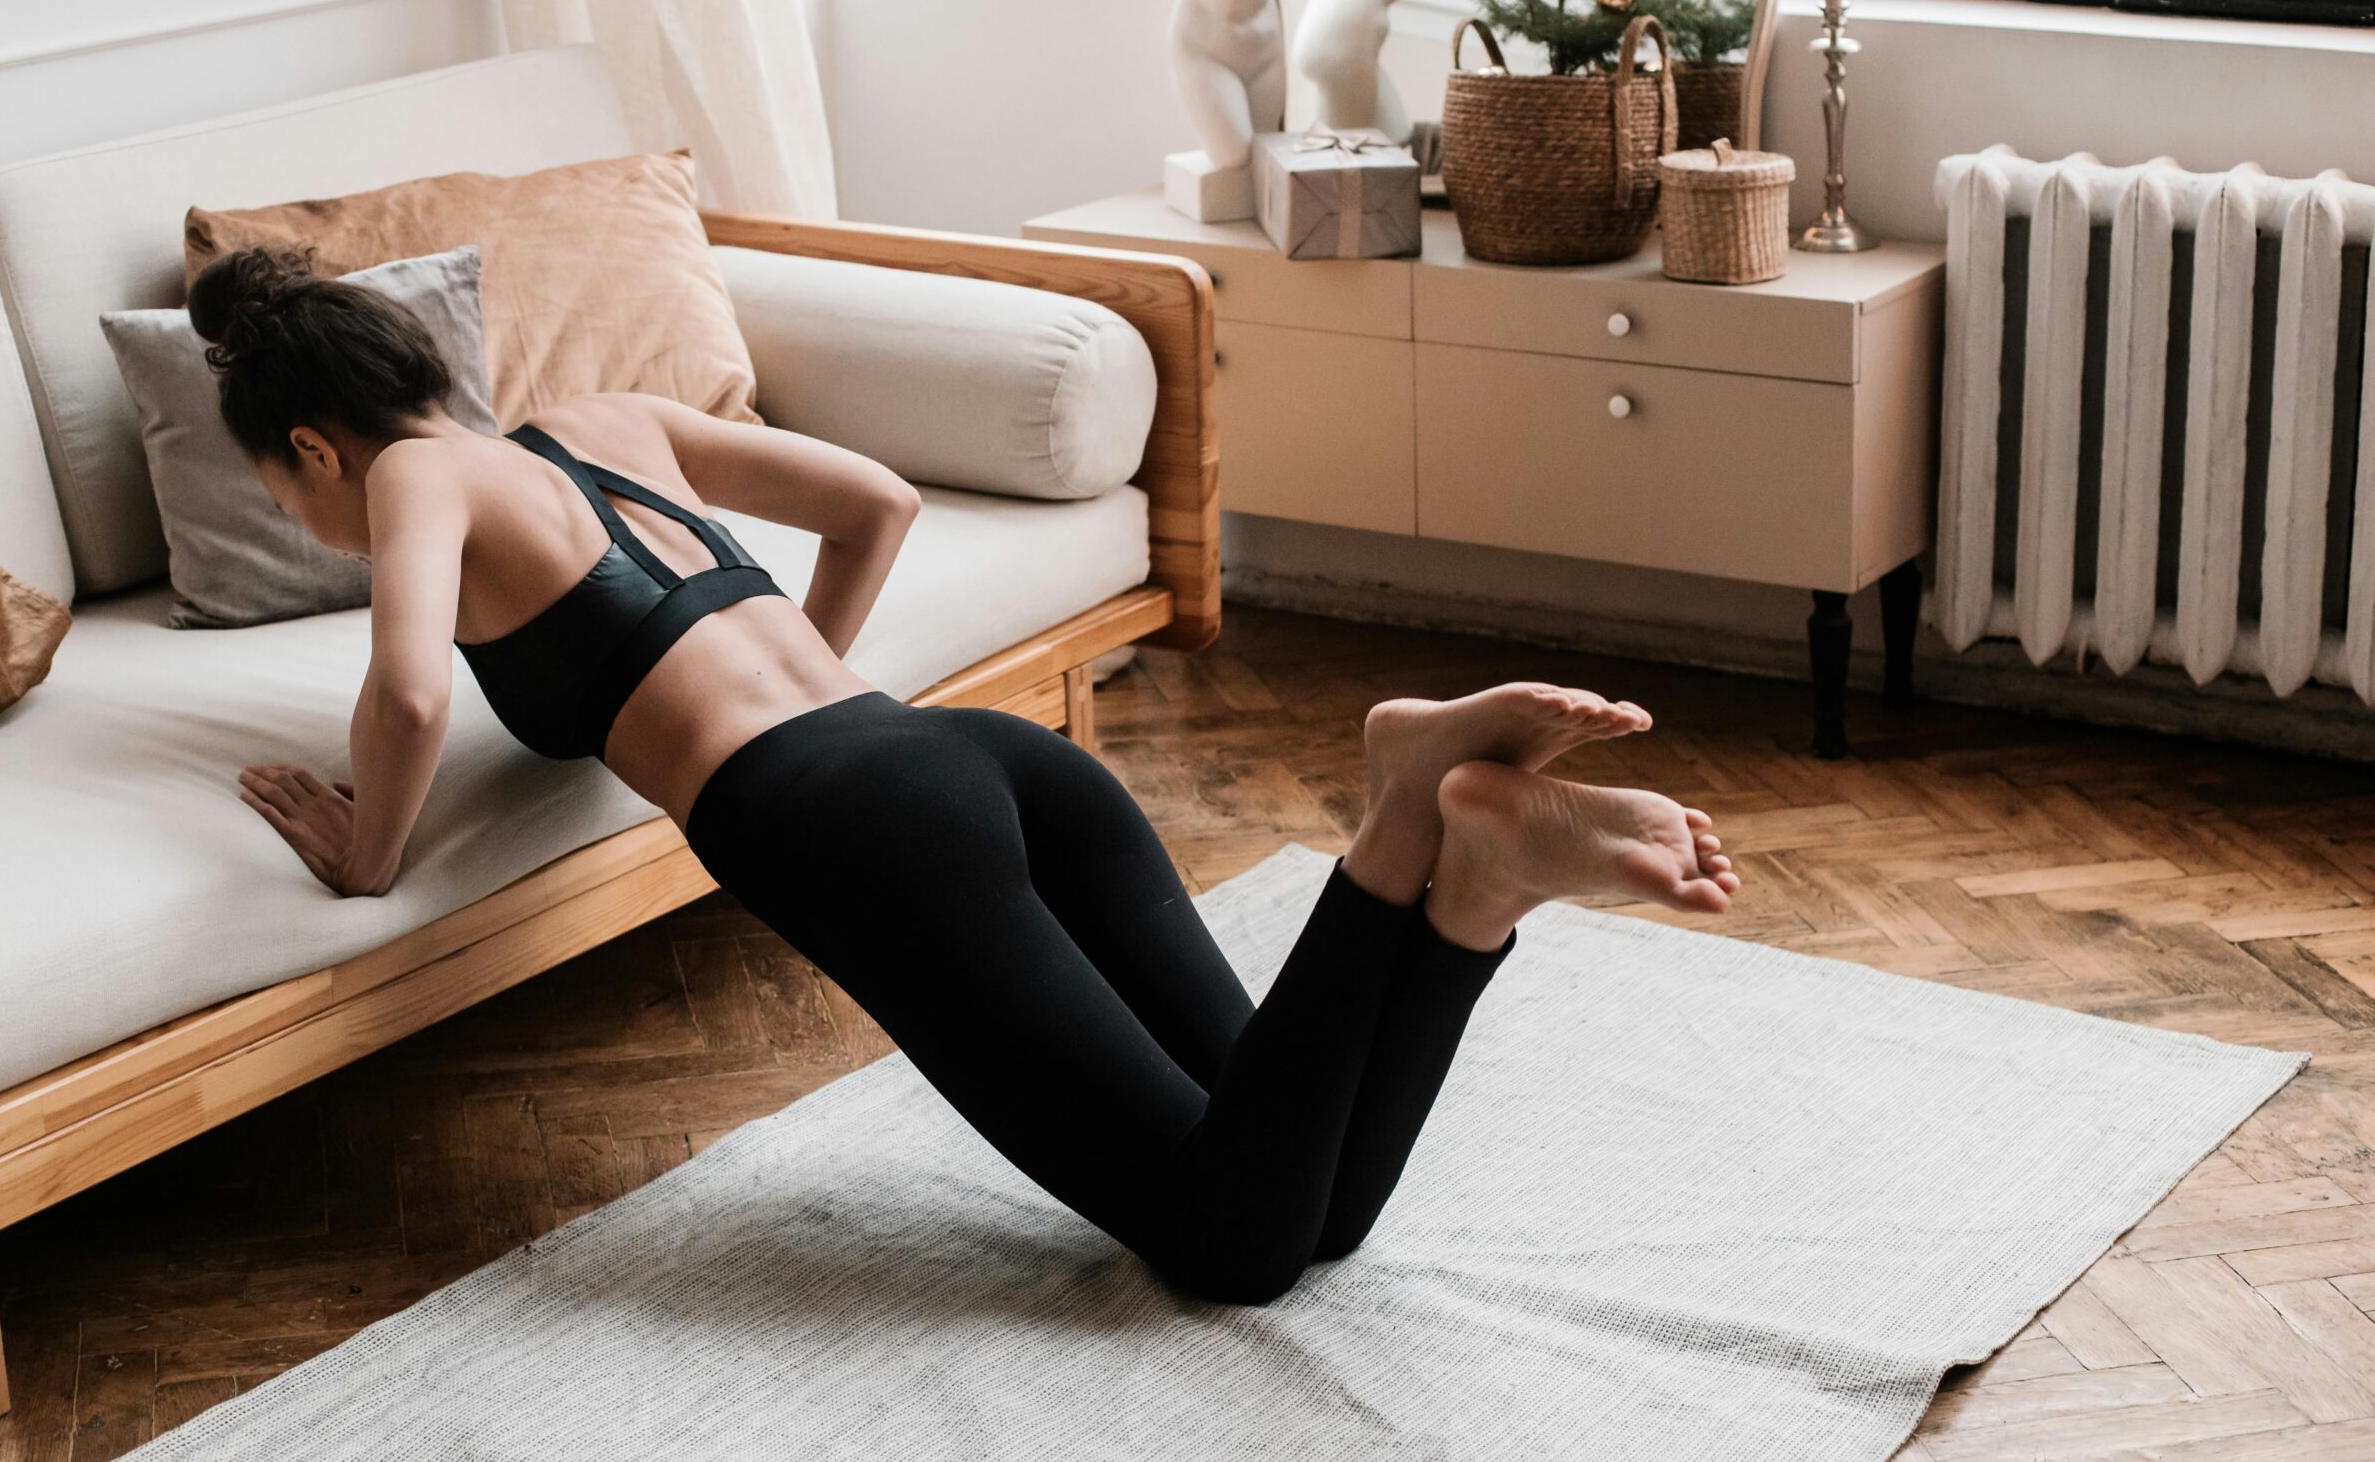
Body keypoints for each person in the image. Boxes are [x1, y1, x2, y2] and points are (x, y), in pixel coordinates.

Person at [200, 246, 1741, 1305]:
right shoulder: (604, 422)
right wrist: (808, 690)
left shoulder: (417, 473)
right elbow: (876, 503)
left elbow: (410, 691)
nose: (304, 520)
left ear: (314, 447)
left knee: (1230, 1249)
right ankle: (1468, 882)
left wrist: (366, 853)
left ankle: (1406, 814)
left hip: (862, 830)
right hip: (971, 752)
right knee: (1307, 1196)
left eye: (279, 495)